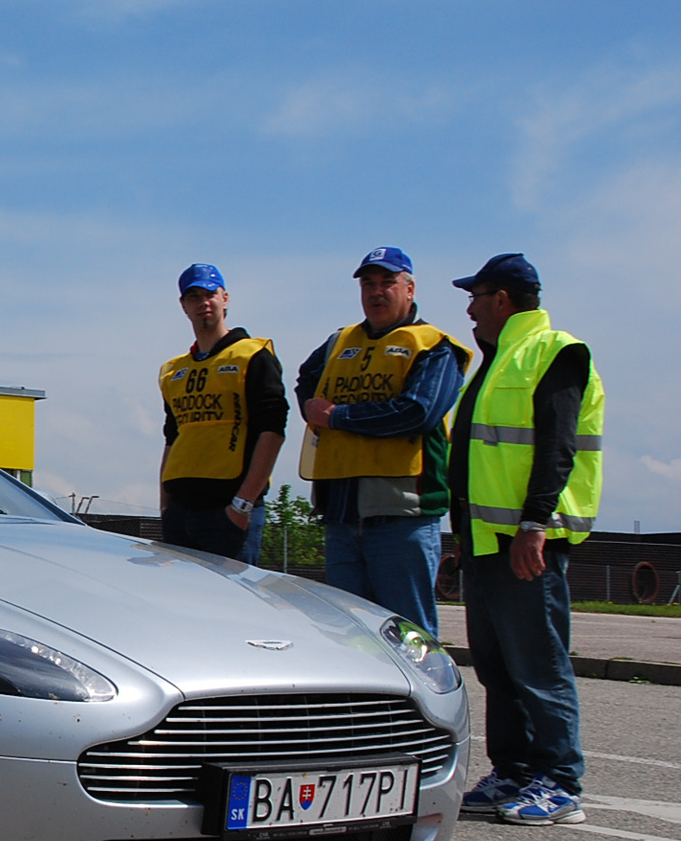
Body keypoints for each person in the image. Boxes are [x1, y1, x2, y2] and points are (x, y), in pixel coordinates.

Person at [449, 253, 604, 826]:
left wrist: (535, 525)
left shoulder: (555, 352)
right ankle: (512, 771)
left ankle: (560, 781)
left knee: (539, 663)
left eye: (477, 295)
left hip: (525, 541)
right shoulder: (496, 361)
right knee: (497, 667)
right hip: (486, 540)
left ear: (504, 300)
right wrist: (464, 535)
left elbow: (557, 446)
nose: (469, 307)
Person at [294, 247, 469, 637]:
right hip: (341, 515)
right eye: (368, 284)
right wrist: (313, 408)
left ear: (409, 288)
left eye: (387, 282)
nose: (376, 291)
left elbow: (416, 412)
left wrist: (338, 416)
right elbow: (306, 383)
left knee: (409, 637)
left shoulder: (434, 347)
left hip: (401, 518)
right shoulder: (338, 343)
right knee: (347, 637)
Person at [159, 263, 287, 562]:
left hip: (228, 512)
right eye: (193, 296)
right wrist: (165, 508)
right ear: (183, 305)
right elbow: (171, 438)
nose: (203, 303)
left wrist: (242, 505)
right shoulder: (174, 370)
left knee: (233, 606)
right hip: (180, 512)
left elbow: (273, 430)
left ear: (225, 298)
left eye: (210, 294)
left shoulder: (252, 356)